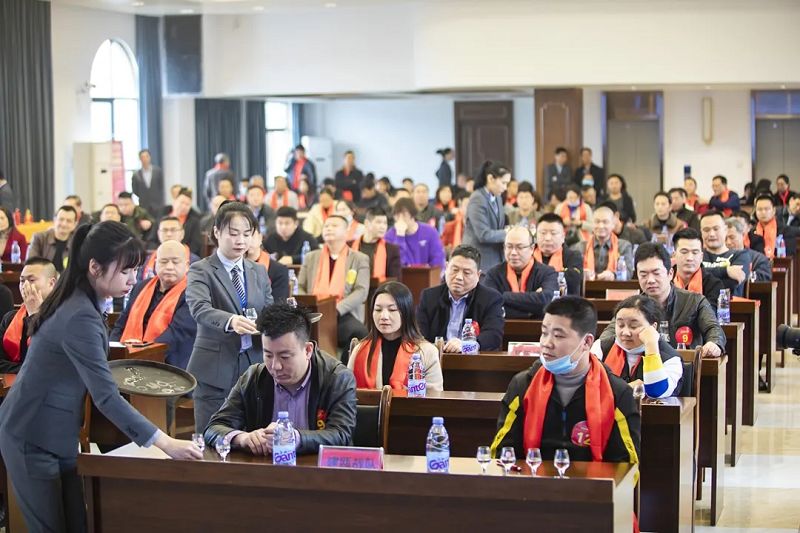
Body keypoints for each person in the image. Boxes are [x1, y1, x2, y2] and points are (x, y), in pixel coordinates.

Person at [0, 222, 201, 532]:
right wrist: (166, 443)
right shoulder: (79, 313)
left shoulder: (82, 301)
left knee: (78, 523)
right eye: (125, 271)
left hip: (57, 432)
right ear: (94, 267)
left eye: (136, 270)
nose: (133, 279)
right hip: (31, 432)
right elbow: (106, 397)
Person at [490, 296, 640, 463]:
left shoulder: (617, 392)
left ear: (587, 342)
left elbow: (626, 465)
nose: (546, 343)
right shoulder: (523, 384)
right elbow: (503, 453)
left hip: (594, 479)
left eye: (558, 336)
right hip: (533, 477)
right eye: (544, 333)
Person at [204, 303, 357, 455]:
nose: (275, 366)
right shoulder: (254, 378)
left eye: (285, 357)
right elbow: (213, 428)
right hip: (265, 468)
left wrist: (296, 438)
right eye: (268, 355)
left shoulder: (337, 378)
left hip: (320, 468)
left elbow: (341, 435)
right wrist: (242, 438)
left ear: (308, 350)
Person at [186, 202, 274, 432]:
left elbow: (269, 309)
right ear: (217, 232)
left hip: (254, 364)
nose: (240, 241)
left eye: (247, 234)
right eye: (233, 233)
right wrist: (230, 321)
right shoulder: (201, 269)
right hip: (215, 368)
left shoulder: (258, 271)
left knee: (254, 436)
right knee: (212, 436)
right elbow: (199, 308)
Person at [598, 242, 725, 356]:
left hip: (685, 368)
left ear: (670, 274)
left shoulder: (694, 301)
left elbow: (714, 329)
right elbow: (609, 334)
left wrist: (714, 344)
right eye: (643, 274)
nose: (650, 280)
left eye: (656, 273)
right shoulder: (632, 306)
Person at [111, 240, 196, 369]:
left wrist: (138, 352)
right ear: (155, 264)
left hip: (168, 365)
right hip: (127, 358)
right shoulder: (141, 287)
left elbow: (176, 335)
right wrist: (114, 350)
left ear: (187, 265)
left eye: (175, 262)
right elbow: (120, 324)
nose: (169, 267)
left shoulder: (193, 294)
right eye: (164, 261)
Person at [349, 281, 443, 391]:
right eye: (378, 310)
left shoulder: (427, 352)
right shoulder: (360, 350)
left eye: (392, 310)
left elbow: (434, 397)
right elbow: (346, 393)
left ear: (406, 312)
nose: (383, 316)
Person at [298, 215, 370, 353]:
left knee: (359, 333)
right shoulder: (311, 257)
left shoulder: (359, 258)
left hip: (342, 312)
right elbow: (300, 286)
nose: (329, 229)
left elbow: (361, 291)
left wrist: (335, 310)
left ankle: (345, 365)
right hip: (313, 312)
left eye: (334, 226)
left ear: (346, 232)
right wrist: (308, 306)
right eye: (326, 226)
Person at [416, 245, 505, 352]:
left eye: (466, 273)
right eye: (454, 270)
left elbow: (493, 336)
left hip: (473, 359)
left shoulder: (491, 299)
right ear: (446, 267)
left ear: (478, 275)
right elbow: (418, 334)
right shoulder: (429, 296)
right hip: (436, 358)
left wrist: (466, 346)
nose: (459, 277)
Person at [592, 295, 683, 398]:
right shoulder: (601, 347)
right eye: (620, 325)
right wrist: (629, 388)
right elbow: (588, 386)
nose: (625, 332)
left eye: (633, 326)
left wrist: (651, 345)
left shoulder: (671, 358)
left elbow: (656, 391)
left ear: (653, 327)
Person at [483, 226, 558, 319]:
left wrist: (502, 295)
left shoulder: (547, 272)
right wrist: (532, 310)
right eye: (509, 247)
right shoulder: (493, 274)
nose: (513, 252)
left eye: (519, 247)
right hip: (501, 327)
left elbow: (547, 301)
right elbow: (488, 303)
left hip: (538, 327)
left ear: (532, 248)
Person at [0, 258, 58, 373]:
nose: (25, 286)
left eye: (31, 280)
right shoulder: (10, 318)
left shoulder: (63, 317)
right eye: (22, 281)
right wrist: (27, 370)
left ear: (51, 283)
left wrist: (34, 315)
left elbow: (47, 363)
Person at [462, 160, 511, 270]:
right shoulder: (478, 198)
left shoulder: (498, 197)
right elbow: (483, 234)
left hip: (496, 258)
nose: (505, 188)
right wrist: (509, 232)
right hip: (479, 259)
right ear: (490, 179)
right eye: (503, 183)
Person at [571, 205, 633, 281]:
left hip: (614, 286)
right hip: (587, 287)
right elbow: (573, 271)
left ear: (613, 225)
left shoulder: (623, 246)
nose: (601, 226)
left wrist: (613, 275)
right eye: (597, 222)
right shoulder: (580, 247)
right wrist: (582, 274)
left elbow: (629, 273)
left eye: (605, 222)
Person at [384, 198, 446, 269]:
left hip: (426, 274)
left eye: (404, 215)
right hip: (402, 275)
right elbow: (396, 266)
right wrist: (400, 237)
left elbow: (438, 261)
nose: (400, 219)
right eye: (397, 216)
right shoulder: (389, 236)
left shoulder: (430, 232)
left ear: (412, 214)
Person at [671, 228, 724, 309]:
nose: (689, 258)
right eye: (684, 252)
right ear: (674, 255)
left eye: (695, 252)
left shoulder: (714, 285)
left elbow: (710, 314)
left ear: (701, 257)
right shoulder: (665, 281)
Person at [700, 211, 750, 296]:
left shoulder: (741, 255)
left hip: (728, 303)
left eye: (716, 229)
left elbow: (731, 284)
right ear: (701, 232)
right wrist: (726, 271)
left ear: (725, 230)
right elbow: (689, 276)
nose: (711, 234)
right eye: (706, 230)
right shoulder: (696, 255)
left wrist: (701, 276)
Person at [534, 213, 583, 296]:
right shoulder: (528, 254)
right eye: (543, 233)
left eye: (553, 233)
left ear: (563, 236)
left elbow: (573, 279)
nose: (547, 238)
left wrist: (543, 283)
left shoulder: (573, 256)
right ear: (536, 235)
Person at [351, 207, 401, 281]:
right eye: (378, 222)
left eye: (385, 223)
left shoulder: (391, 250)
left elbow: (395, 281)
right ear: (367, 223)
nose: (383, 227)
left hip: (379, 287)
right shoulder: (349, 246)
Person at [28, 205, 78, 272]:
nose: (64, 224)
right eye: (61, 219)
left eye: (69, 221)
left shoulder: (77, 242)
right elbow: (30, 265)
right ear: (54, 220)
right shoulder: (39, 238)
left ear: (75, 224)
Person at [246, 225, 289, 301]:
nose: (248, 241)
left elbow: (278, 304)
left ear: (260, 237)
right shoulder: (232, 267)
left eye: (252, 235)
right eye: (245, 236)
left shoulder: (279, 270)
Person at [158, 187, 203, 256]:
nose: (184, 206)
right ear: (175, 201)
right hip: (161, 253)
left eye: (187, 204)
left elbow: (196, 244)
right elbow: (152, 240)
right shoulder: (162, 216)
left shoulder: (194, 222)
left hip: (184, 254)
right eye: (182, 202)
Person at [753, 193, 799, 258]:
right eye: (759, 209)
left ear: (774, 210)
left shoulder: (786, 231)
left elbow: (789, 257)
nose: (763, 212)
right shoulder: (752, 232)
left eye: (767, 209)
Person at [725, 217, 772, 282]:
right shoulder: (716, 258)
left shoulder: (758, 259)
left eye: (732, 237)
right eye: (724, 239)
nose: (728, 242)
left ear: (743, 235)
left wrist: (742, 275)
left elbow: (764, 279)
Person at [131, 149, 164, 213]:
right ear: (140, 159)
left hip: (157, 204)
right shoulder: (136, 175)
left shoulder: (158, 171)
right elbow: (135, 190)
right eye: (142, 157)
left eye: (147, 156)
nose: (145, 159)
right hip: (143, 204)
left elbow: (161, 186)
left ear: (150, 157)